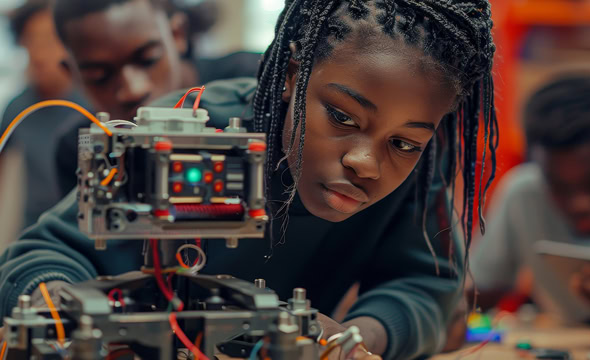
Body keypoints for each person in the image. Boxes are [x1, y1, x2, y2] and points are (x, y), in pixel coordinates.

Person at [0, 1, 498, 359]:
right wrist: (71, 323)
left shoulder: (419, 171)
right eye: (343, 118)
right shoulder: (193, 129)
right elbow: (40, 255)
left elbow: (423, 284)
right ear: (293, 73)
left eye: (405, 143)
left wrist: (353, 338)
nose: (367, 163)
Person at [468, 74, 590, 325]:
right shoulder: (522, 194)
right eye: (559, 186)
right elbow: (474, 294)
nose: (582, 204)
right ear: (534, 165)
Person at [51, 0, 262, 196]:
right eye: (99, 76)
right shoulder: (81, 147)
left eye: (147, 59)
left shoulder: (255, 82)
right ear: (72, 74)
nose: (132, 89)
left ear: (177, 34)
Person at [0, 0, 87, 228]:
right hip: (30, 229)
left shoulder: (91, 106)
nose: (39, 52)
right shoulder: (16, 108)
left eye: (49, 41)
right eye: (31, 40)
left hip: (79, 229)